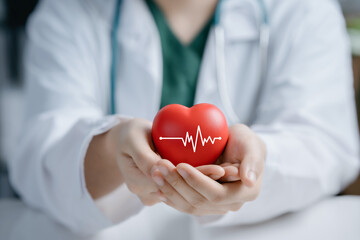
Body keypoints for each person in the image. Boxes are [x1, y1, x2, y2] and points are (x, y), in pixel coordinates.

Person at [9, 0, 360, 238]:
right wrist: (112, 146)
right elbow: (40, 152)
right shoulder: (67, 10)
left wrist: (252, 166)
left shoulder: (303, 10)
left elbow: (327, 143)